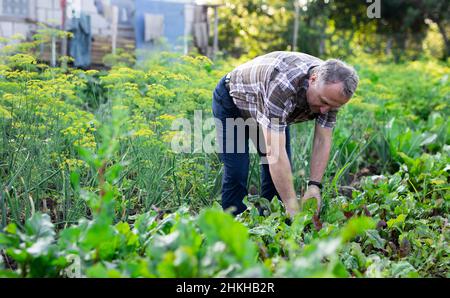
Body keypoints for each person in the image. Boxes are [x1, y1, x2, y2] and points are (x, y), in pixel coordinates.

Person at [212, 51, 359, 217]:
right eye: (323, 102)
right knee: (237, 171)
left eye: (332, 107)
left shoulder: (330, 95)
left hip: (266, 106)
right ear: (313, 79)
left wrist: (314, 186)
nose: (325, 110)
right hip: (233, 102)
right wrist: (292, 206)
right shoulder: (283, 85)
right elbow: (275, 153)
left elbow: (322, 140)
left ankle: (270, 226)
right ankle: (232, 226)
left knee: (277, 182)